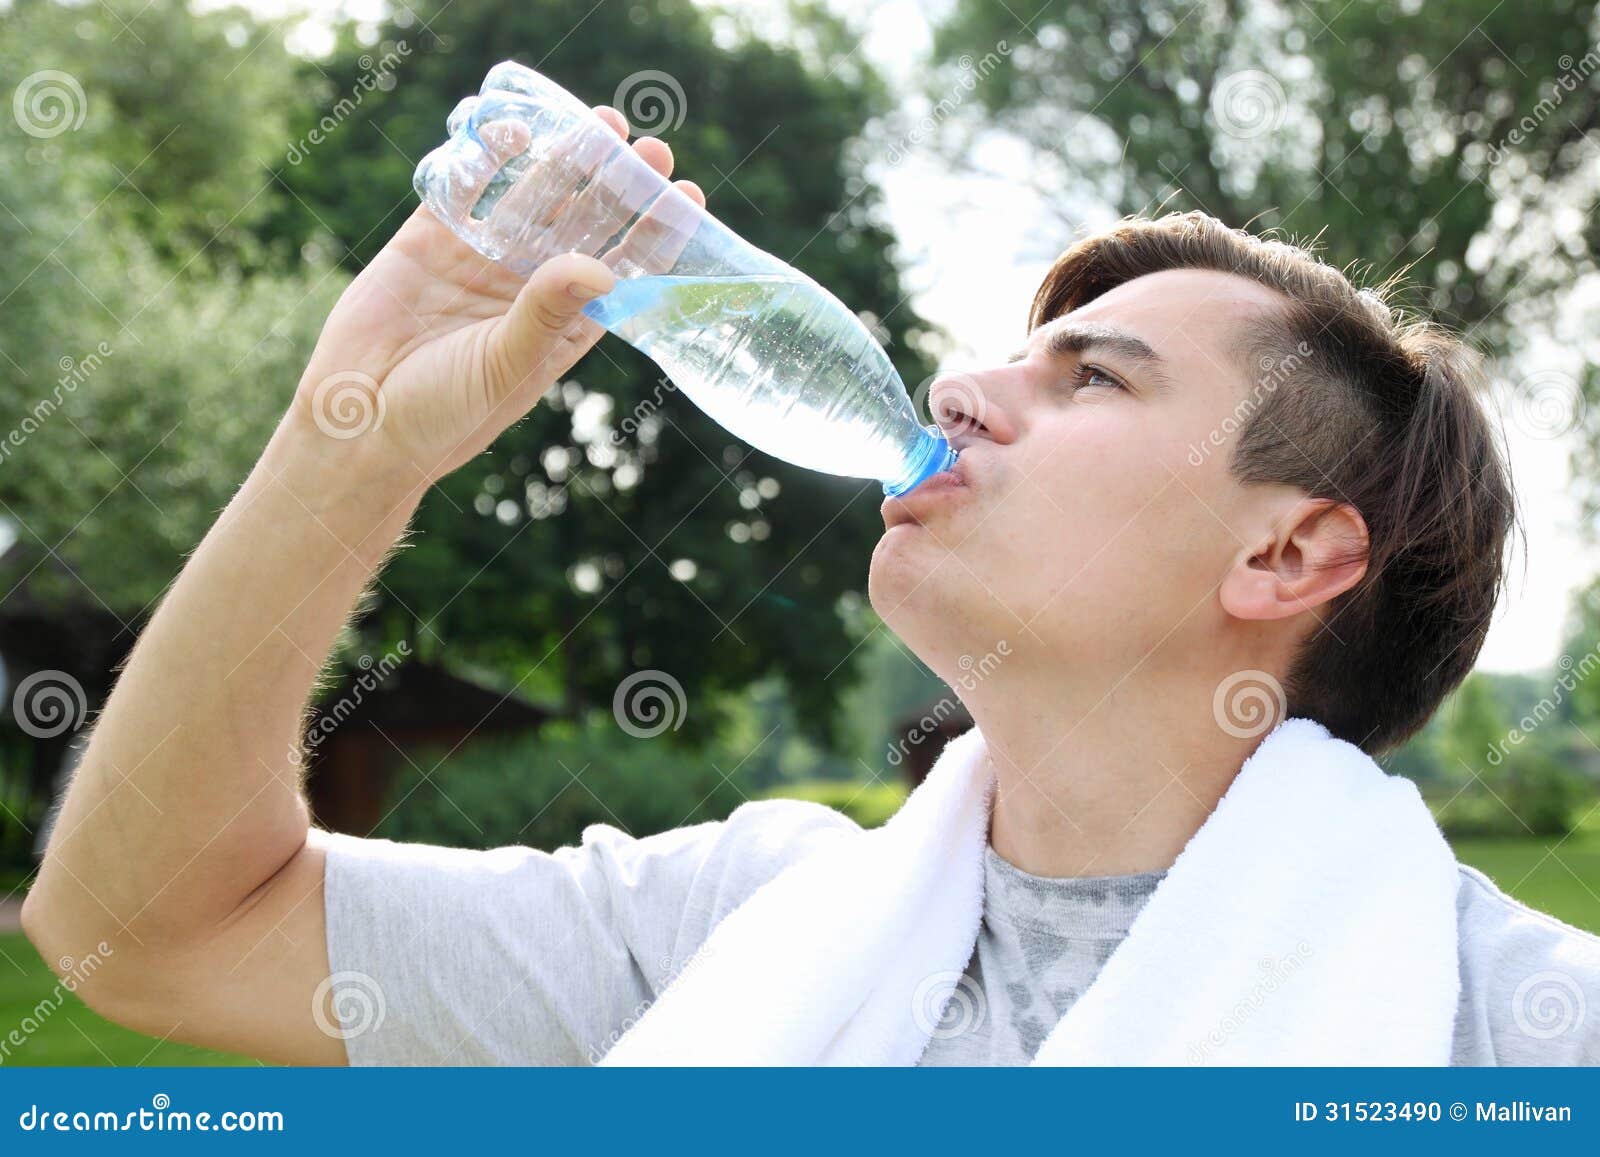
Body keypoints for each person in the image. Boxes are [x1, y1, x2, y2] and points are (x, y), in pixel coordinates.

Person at [22, 104, 1600, 1066]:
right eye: (1002, 352)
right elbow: (136, 933)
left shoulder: (1517, 1032)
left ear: (1287, 554)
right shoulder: (740, 923)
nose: (965, 388)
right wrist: (345, 434)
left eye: (1096, 380)